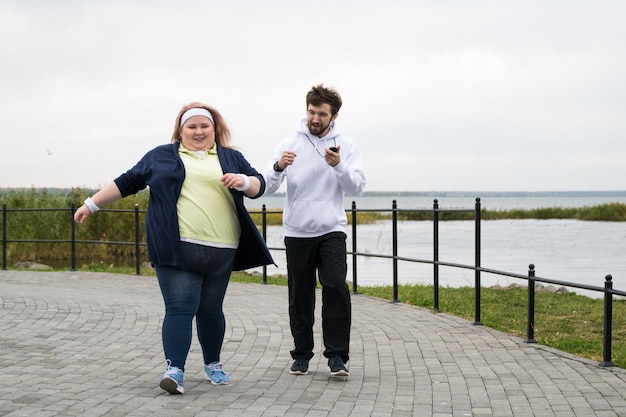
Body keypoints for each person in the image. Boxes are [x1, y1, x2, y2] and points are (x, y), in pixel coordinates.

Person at [74, 102, 274, 394]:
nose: (198, 131)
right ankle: (175, 371)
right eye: (191, 126)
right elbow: (127, 182)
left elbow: (259, 186)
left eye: (204, 126)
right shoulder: (161, 157)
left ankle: (213, 365)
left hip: (223, 249)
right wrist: (91, 204)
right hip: (176, 249)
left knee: (210, 310)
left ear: (214, 129)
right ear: (180, 131)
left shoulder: (231, 157)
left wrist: (243, 181)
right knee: (180, 308)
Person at [263, 84, 366, 377]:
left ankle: (336, 356)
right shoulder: (289, 144)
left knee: (335, 287)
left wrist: (339, 166)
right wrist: (278, 166)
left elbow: (357, 185)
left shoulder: (346, 145)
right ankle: (301, 355)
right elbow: (268, 186)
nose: (315, 118)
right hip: (297, 231)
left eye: (322, 114)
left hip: (331, 228)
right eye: (311, 112)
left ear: (333, 116)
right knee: (300, 295)